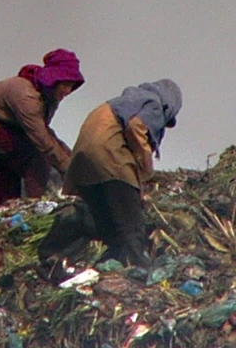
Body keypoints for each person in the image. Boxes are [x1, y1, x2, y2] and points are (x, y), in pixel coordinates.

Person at [54, 79, 182, 269]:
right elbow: (136, 127)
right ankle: (140, 268)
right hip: (109, 159)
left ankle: (92, 264)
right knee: (131, 223)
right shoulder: (154, 104)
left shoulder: (124, 101)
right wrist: (146, 168)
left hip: (82, 165)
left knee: (108, 227)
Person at [0, 49, 85, 210]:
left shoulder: (48, 98)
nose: (68, 91)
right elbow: (42, 140)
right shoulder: (27, 95)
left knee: (8, 181)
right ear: (54, 79)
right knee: (35, 161)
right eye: (65, 84)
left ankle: (5, 216)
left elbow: (45, 132)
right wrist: (68, 171)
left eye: (71, 86)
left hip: (1, 129)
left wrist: (71, 159)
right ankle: (34, 210)